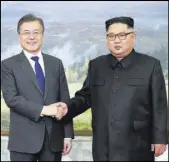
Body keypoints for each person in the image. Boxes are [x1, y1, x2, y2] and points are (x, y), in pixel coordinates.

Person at [57, 16, 168, 161]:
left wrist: (160, 138)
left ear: (133, 37)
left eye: (122, 35)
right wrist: (67, 107)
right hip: (103, 145)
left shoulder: (150, 65)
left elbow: (159, 105)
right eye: (111, 36)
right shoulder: (96, 65)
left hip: (137, 143)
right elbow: (85, 97)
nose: (116, 40)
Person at [1, 13, 74, 161]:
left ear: (43, 35)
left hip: (53, 139)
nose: (31, 37)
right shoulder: (8, 65)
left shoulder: (56, 63)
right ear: (19, 36)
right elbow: (12, 99)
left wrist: (67, 135)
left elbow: (64, 100)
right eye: (26, 33)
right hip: (23, 142)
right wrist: (46, 110)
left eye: (36, 32)